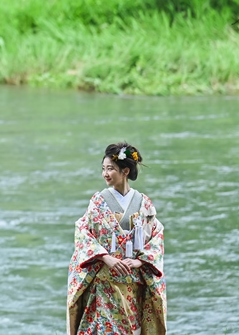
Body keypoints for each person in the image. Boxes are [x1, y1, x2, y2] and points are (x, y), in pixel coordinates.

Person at [67, 142, 166, 335]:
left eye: (110, 169)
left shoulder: (143, 203)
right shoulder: (98, 202)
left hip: (132, 285)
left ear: (125, 171)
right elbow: (83, 232)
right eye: (103, 169)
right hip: (104, 283)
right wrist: (105, 257)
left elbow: (156, 238)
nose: (105, 173)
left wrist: (138, 262)